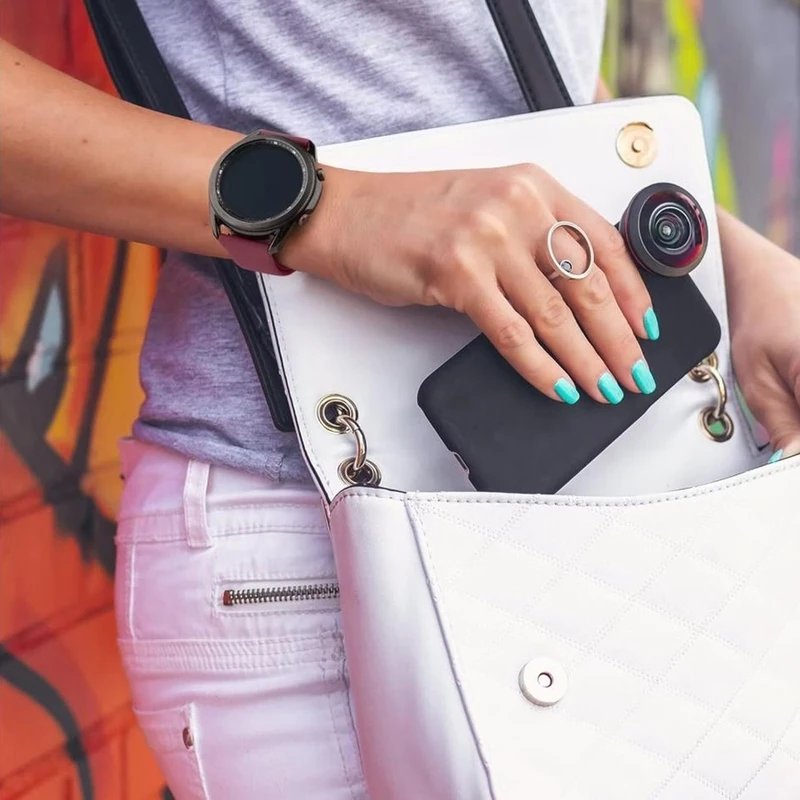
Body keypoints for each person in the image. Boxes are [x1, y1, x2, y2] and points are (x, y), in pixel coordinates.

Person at [2, 2, 799, 796]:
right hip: (319, 537)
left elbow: (496, 69)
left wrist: (736, 263)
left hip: (627, 491)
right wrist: (323, 208)